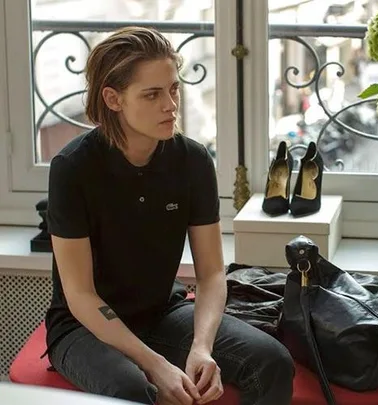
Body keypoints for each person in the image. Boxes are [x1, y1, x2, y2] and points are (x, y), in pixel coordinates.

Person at [44, 26, 294, 405]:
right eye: (152, 94)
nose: (171, 105)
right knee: (133, 390)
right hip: (84, 328)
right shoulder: (72, 168)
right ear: (113, 99)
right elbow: (79, 295)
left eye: (173, 89)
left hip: (161, 312)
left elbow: (211, 273)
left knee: (272, 361)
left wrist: (202, 348)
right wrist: (154, 364)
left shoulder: (192, 160)